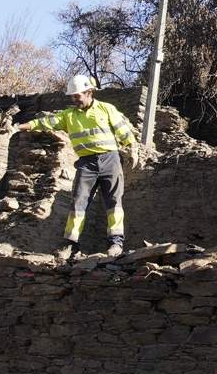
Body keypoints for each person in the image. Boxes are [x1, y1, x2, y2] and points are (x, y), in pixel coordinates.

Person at [15, 75, 142, 260]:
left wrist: (133, 148)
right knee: (78, 202)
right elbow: (45, 122)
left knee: (114, 201)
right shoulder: (69, 116)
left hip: (110, 160)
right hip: (86, 163)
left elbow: (123, 131)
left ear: (89, 92)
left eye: (77, 95)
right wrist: (21, 127)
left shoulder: (106, 109)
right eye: (72, 96)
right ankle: (71, 244)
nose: (74, 99)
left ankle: (115, 242)